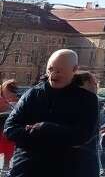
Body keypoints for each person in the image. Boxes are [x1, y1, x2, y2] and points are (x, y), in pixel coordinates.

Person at [3, 49, 99, 177]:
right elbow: (10, 129)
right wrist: (47, 136)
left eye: (59, 71)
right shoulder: (32, 94)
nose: (53, 74)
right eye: (50, 69)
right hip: (28, 169)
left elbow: (82, 135)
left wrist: (45, 128)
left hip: (68, 169)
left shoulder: (87, 99)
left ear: (74, 69)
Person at [75, 71, 102, 177]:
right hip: (85, 156)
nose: (96, 86)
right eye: (94, 83)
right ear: (85, 83)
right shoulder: (89, 99)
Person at [0, 80, 19, 176]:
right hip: (1, 135)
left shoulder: (17, 103)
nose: (11, 93)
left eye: (12, 90)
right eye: (8, 90)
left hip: (8, 137)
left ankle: (4, 172)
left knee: (7, 160)